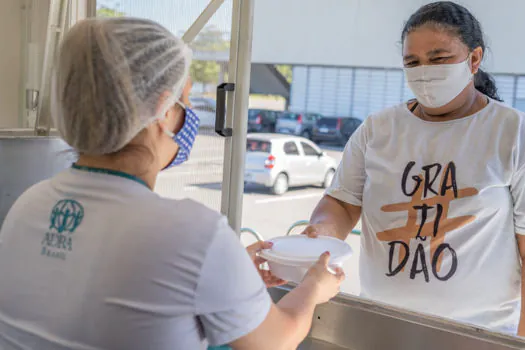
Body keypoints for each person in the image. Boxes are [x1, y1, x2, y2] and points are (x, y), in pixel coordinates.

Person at [0, 17, 344, 349]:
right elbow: (277, 341)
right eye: (186, 99)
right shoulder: (193, 232)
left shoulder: (28, 204)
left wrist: (226, 270)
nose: (191, 112)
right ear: (164, 110)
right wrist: (314, 286)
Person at [303, 1, 525, 336]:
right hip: (380, 325)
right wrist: (320, 231)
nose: (424, 71)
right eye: (412, 62)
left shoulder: (511, 132)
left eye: (438, 59)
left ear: (474, 59)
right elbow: (343, 202)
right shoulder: (378, 129)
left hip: (479, 335)